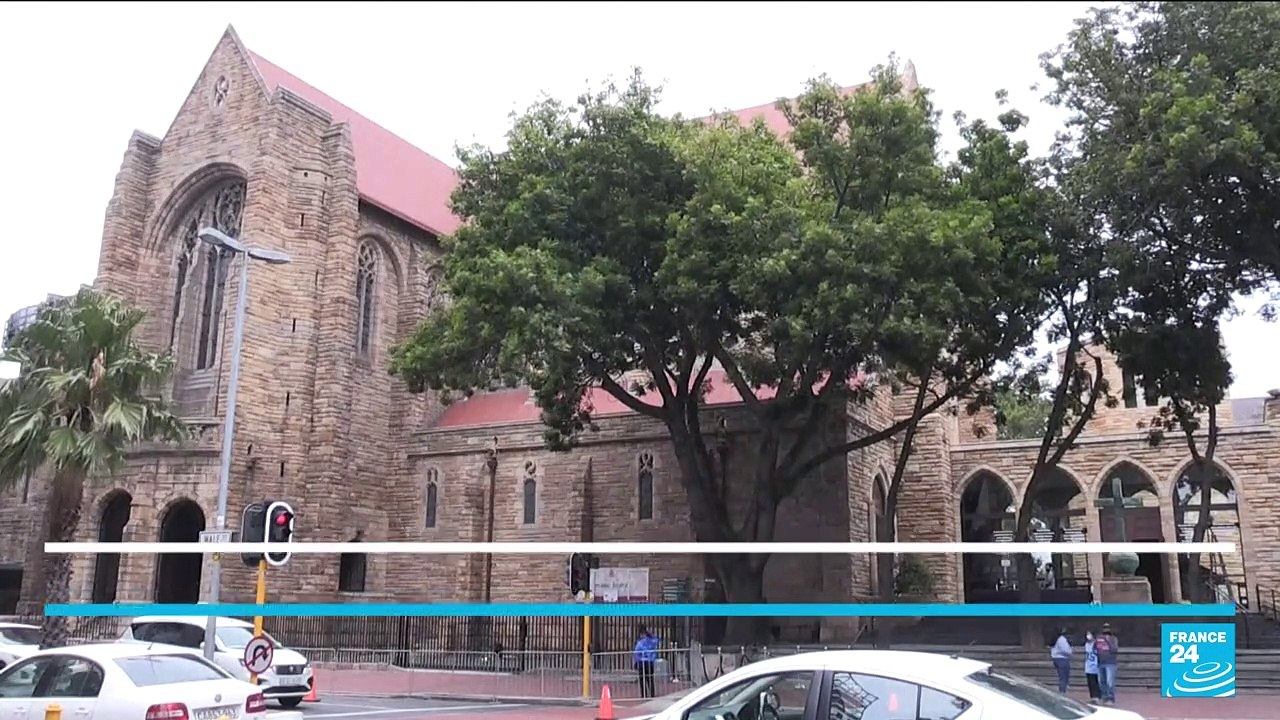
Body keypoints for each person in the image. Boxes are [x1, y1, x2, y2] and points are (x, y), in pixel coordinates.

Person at [1094, 622, 1120, 704]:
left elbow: (1114, 650)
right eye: (1104, 628)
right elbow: (1095, 648)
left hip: (1110, 663)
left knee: (1110, 682)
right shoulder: (1098, 639)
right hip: (1101, 662)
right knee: (1102, 681)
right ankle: (1104, 697)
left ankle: (1110, 698)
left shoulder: (1113, 639)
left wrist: (1107, 641)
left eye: (1107, 628)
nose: (1106, 630)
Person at [633, 625, 660, 698]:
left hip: (642, 662)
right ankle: (652, 693)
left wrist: (636, 661)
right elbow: (657, 640)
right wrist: (650, 634)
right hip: (650, 661)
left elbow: (636, 652)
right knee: (650, 678)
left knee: (642, 679)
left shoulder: (640, 643)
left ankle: (643, 694)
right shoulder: (652, 641)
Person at [1050, 626, 1073, 693]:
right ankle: (1062, 691)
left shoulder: (1057, 639)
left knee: (1062, 676)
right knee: (1064, 677)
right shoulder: (1062, 639)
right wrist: (1070, 651)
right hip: (1062, 659)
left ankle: (1063, 690)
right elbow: (1065, 650)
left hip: (1057, 658)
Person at [1083, 630, 1100, 701]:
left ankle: (1098, 696)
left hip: (1096, 665)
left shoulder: (1097, 644)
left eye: (1089, 634)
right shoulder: (1086, 644)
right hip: (1088, 665)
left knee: (1096, 682)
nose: (1088, 636)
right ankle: (1092, 697)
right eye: (1087, 634)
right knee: (1090, 682)